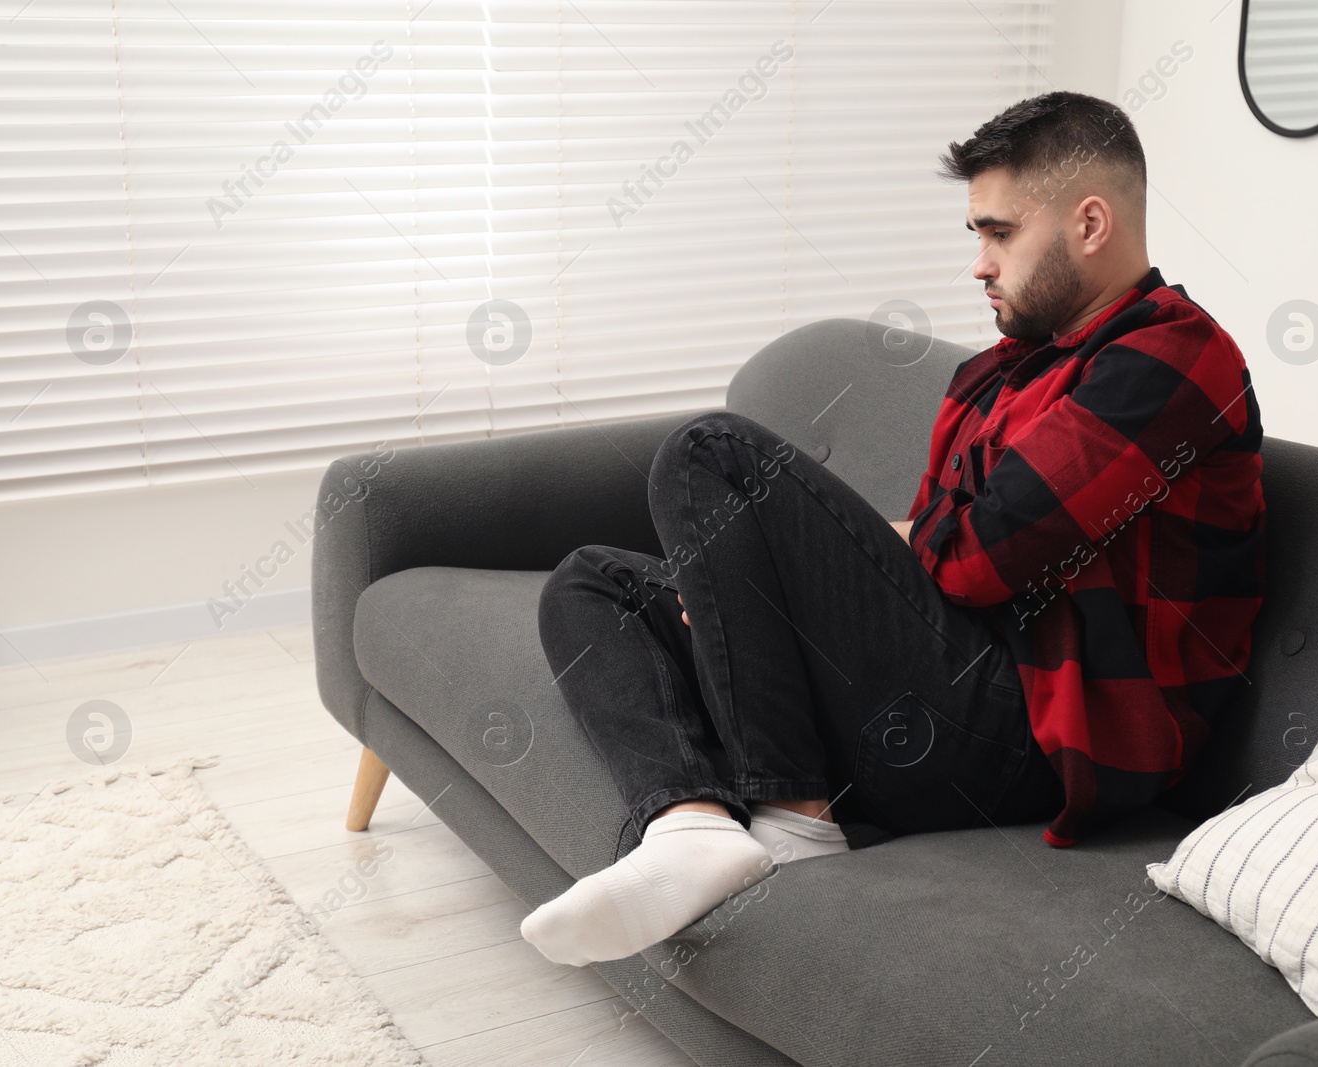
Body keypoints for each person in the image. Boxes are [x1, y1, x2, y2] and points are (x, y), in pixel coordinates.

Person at [519, 90, 1266, 968]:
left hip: (1031, 734)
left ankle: (793, 820)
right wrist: (738, 590)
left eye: (998, 233)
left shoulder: (1173, 360)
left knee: (707, 451)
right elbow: (941, 549)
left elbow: (970, 560)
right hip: (946, 683)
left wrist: (837, 562)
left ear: (1091, 222)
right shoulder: (999, 372)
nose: (978, 266)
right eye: (976, 237)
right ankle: (691, 824)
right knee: (591, 581)